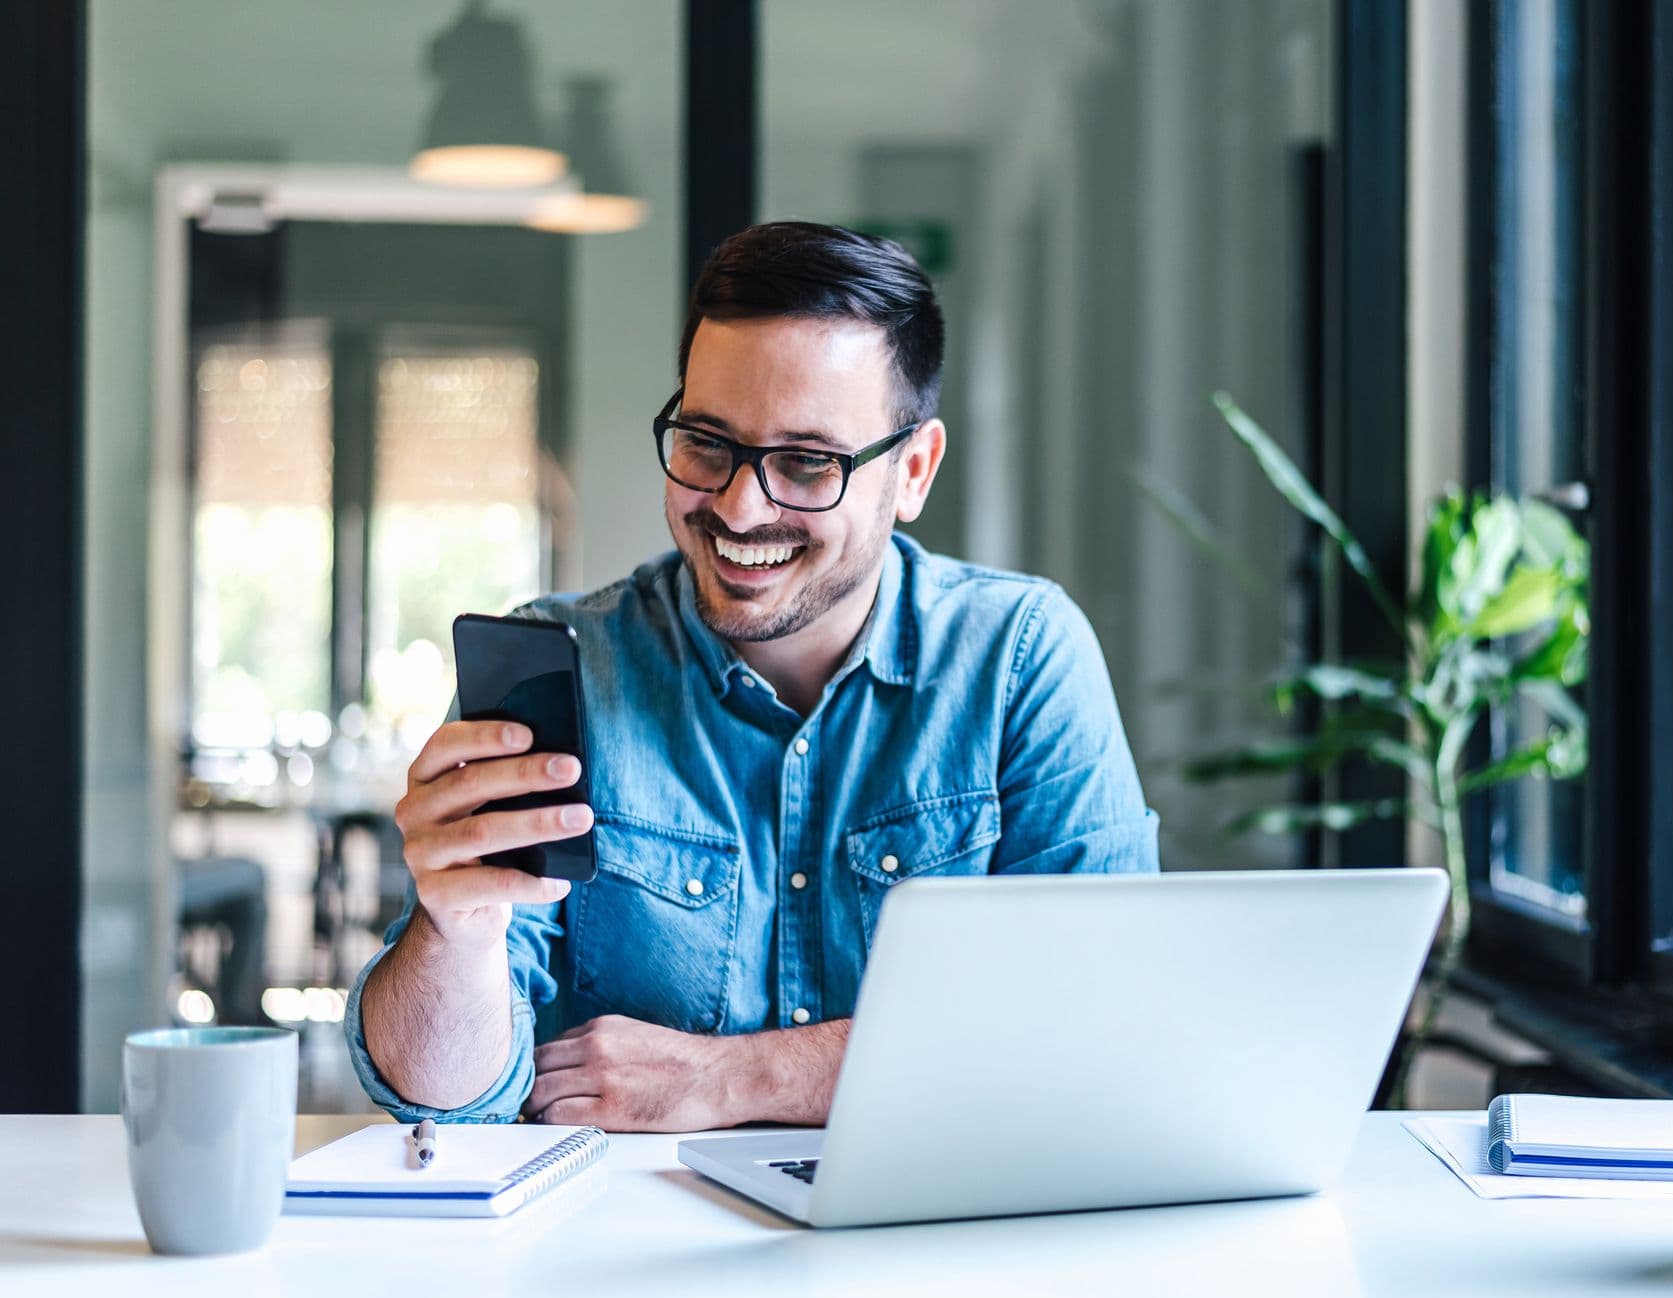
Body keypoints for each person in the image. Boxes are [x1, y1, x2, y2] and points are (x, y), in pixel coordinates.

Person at [346, 221, 1158, 1131]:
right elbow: (441, 1102)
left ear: (914, 471)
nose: (739, 506)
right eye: (706, 442)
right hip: (614, 1259)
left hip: (937, 1251)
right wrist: (454, 926)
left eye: (808, 462)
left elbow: (1096, 1026)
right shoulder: (567, 668)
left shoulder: (1018, 657)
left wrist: (736, 1077)